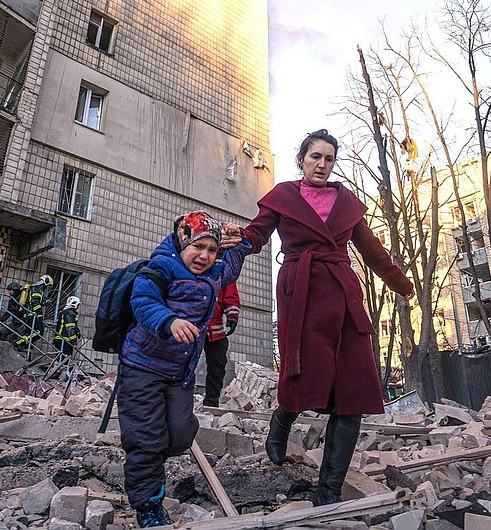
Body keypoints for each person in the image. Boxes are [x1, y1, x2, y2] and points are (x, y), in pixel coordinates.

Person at [229, 130, 416, 506]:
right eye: (316, 156)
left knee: (353, 392)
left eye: (329, 159)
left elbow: (373, 251)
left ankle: (328, 491)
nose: (322, 164)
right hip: (302, 296)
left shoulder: (346, 201)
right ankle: (282, 421)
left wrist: (404, 285)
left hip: (345, 300)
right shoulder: (283, 195)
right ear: (302, 159)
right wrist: (235, 240)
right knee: (304, 379)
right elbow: (257, 234)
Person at [118, 211, 249, 528]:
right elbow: (143, 300)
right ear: (182, 241)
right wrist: (169, 321)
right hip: (142, 368)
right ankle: (148, 505)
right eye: (198, 247)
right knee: (146, 439)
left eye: (212, 249)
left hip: (179, 373)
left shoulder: (214, 272)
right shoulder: (162, 266)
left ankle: (151, 460)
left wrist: (239, 242)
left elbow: (230, 268)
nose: (204, 256)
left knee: (178, 435)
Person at [201, 280, 240, 408]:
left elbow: (230, 294)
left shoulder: (222, 271)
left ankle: (211, 403)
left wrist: (232, 316)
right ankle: (180, 402)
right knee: (184, 365)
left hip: (215, 328)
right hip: (190, 326)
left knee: (217, 366)